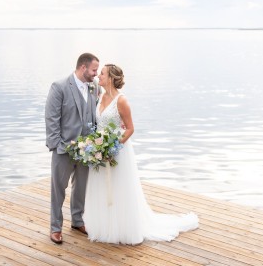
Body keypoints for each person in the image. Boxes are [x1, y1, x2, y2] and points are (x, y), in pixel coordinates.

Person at [83, 64, 199, 245]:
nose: (99, 76)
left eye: (103, 73)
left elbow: (130, 129)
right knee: (102, 189)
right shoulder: (100, 96)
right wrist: (97, 146)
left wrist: (112, 147)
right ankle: (105, 228)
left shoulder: (121, 101)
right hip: (100, 151)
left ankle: (123, 229)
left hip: (117, 152)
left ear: (111, 78)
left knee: (119, 190)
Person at [45, 53, 100, 244]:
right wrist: (57, 146)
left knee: (81, 188)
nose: (96, 74)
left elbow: (94, 116)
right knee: (58, 189)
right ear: (83, 68)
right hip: (63, 149)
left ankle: (77, 221)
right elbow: (52, 119)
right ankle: (55, 227)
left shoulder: (94, 88)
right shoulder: (59, 87)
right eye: (94, 70)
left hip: (87, 150)